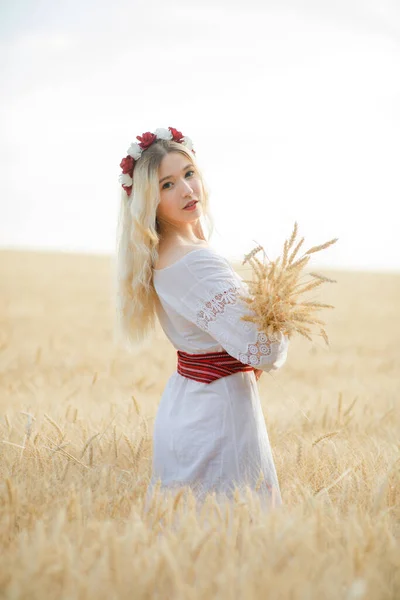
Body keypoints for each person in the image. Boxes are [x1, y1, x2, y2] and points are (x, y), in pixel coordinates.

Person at [114, 127, 289, 513]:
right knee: (234, 537)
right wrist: (281, 314)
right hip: (218, 413)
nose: (187, 190)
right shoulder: (195, 261)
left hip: (189, 403)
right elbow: (265, 351)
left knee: (191, 540)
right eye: (167, 185)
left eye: (189, 174)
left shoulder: (169, 254)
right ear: (149, 200)